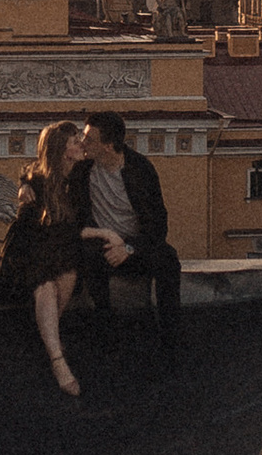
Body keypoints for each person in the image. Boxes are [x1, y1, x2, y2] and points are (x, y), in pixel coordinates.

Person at [0, 117, 92, 397]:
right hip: (28, 251)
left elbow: (75, 226)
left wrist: (107, 234)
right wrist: (25, 184)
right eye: (76, 142)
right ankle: (57, 360)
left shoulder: (81, 175)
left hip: (60, 250)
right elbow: (27, 228)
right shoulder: (38, 181)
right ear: (63, 149)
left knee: (68, 273)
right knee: (46, 286)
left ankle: (47, 339)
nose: (81, 145)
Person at [74, 111, 181, 361]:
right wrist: (26, 182)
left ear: (109, 147)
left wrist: (129, 248)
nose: (82, 143)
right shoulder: (83, 168)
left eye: (89, 139)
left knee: (168, 259)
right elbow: (46, 168)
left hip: (135, 248)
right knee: (88, 257)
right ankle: (105, 337)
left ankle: (171, 342)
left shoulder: (140, 170)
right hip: (100, 247)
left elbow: (158, 227)